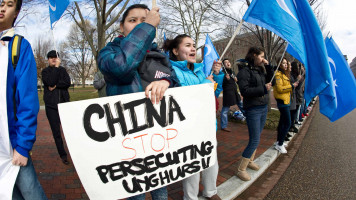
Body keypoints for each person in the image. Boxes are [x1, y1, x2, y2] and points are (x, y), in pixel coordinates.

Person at [98, 4, 178, 200]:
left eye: (144, 20)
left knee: (161, 192)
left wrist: (166, 82)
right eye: (132, 20)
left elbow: (177, 84)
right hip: (131, 144)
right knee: (137, 195)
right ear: (121, 26)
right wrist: (148, 25)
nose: (139, 25)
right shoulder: (108, 53)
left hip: (159, 141)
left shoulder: (160, 56)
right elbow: (121, 67)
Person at [163, 34, 224, 200]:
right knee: (193, 165)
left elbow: (212, 96)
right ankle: (190, 197)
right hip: (189, 128)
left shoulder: (199, 70)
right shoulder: (171, 71)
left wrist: (216, 76)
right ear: (175, 51)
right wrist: (206, 84)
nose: (192, 49)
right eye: (187, 45)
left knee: (211, 161)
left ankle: (211, 192)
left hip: (207, 126)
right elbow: (185, 98)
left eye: (193, 45)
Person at [0, 0, 47, 199]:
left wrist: (23, 145)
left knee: (30, 193)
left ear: (16, 12)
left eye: (9, 4)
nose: (2, 7)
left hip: (11, 143)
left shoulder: (18, 46)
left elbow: (27, 100)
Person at [236, 47, 273, 181]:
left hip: (262, 106)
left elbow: (270, 79)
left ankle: (250, 160)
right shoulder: (244, 71)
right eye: (261, 56)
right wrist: (262, 89)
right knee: (255, 139)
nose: (263, 59)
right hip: (253, 109)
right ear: (254, 55)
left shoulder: (260, 69)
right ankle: (241, 169)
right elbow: (244, 91)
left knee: (258, 136)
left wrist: (268, 66)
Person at [41, 50, 71, 165]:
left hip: (64, 104)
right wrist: (56, 69)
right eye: (51, 57)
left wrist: (56, 85)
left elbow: (67, 82)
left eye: (55, 57)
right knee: (56, 132)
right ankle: (63, 155)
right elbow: (50, 81)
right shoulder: (45, 72)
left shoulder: (63, 70)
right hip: (51, 106)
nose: (53, 59)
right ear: (48, 59)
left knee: (68, 130)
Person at [273, 57, 299, 154]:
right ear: (279, 64)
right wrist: (291, 86)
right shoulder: (278, 74)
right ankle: (280, 144)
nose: (285, 65)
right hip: (282, 102)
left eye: (286, 63)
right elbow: (280, 89)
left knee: (282, 122)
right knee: (287, 123)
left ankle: (279, 142)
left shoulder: (285, 74)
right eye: (283, 63)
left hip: (287, 100)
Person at [220, 58, 244, 132]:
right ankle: (224, 126)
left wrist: (236, 80)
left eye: (228, 62)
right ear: (223, 65)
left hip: (235, 92)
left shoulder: (232, 72)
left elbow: (236, 81)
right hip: (228, 93)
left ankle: (249, 119)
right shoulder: (222, 73)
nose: (228, 63)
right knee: (225, 110)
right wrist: (225, 79)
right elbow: (221, 84)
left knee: (241, 105)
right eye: (225, 62)